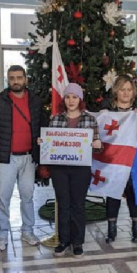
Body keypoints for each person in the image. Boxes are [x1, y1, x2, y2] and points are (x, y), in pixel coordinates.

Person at [0, 65, 45, 252]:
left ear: (25, 79)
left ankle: (27, 230)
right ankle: (2, 233)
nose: (16, 81)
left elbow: (43, 125)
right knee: (3, 197)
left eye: (19, 77)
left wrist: (43, 146)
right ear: (8, 80)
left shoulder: (35, 101)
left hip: (28, 157)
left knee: (27, 196)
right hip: (6, 158)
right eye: (12, 78)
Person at [42, 83, 102, 258]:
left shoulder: (90, 120)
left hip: (81, 169)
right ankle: (63, 241)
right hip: (59, 169)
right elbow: (50, 143)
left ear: (80, 99)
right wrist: (43, 142)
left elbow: (97, 147)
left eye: (74, 97)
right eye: (68, 97)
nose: (71, 100)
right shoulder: (55, 119)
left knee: (78, 205)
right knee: (63, 204)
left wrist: (97, 145)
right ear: (64, 99)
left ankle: (77, 242)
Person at [100, 74, 137, 243]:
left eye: (129, 89)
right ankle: (111, 230)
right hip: (114, 160)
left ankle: (136, 230)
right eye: (122, 89)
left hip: (133, 159)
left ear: (133, 91)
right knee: (113, 193)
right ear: (116, 91)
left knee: (134, 193)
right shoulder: (107, 109)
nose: (126, 93)